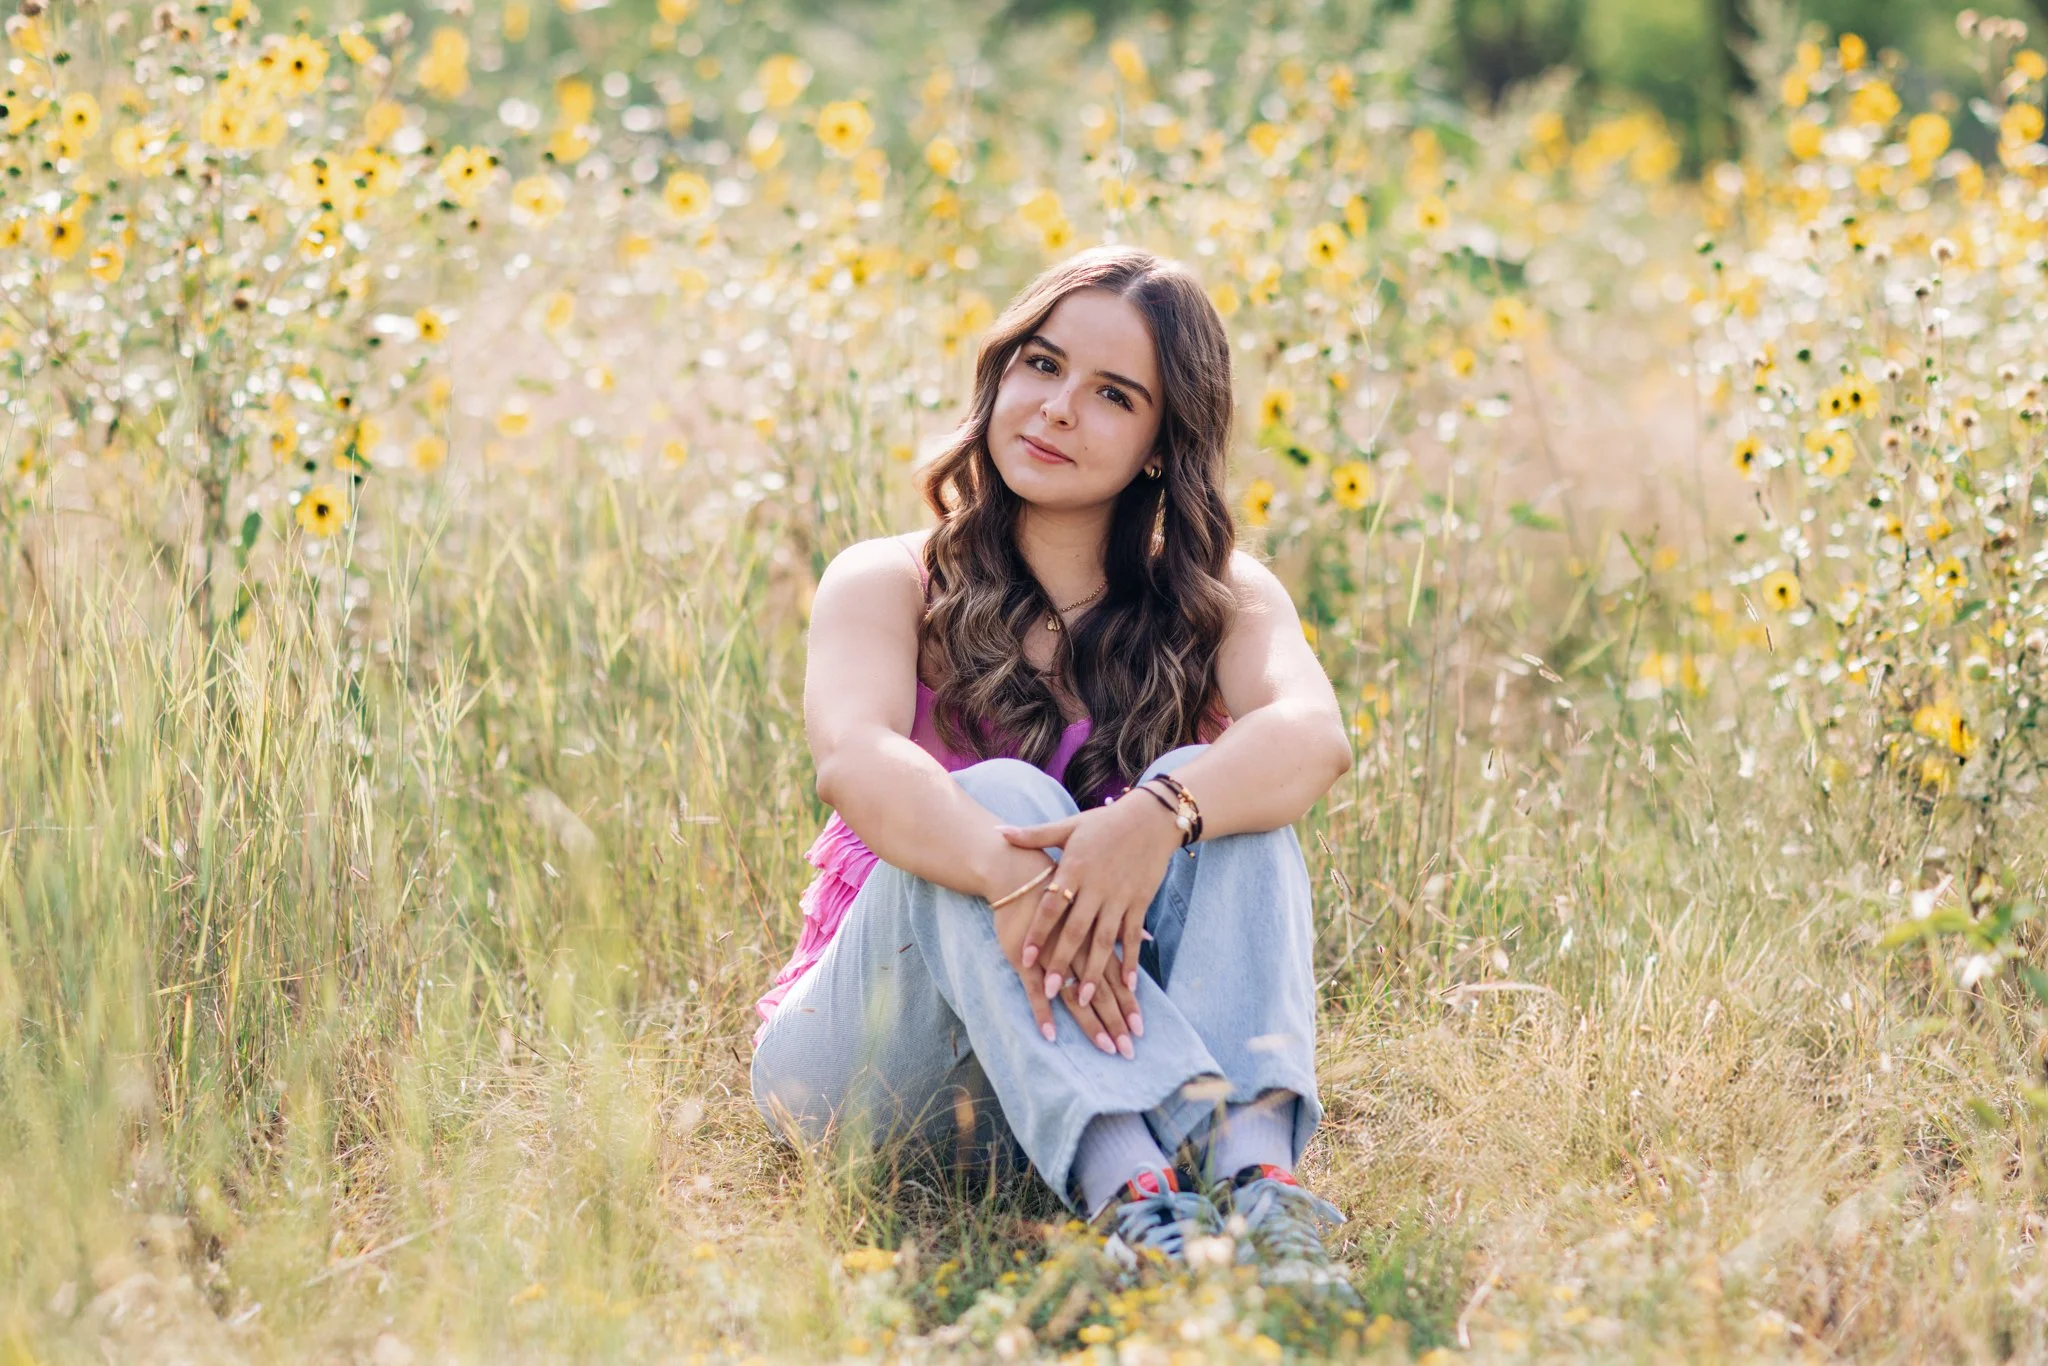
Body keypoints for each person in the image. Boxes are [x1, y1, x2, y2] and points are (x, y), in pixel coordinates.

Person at [749, 244, 1356, 1277]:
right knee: (995, 798)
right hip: (871, 1070)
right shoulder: (888, 579)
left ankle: (1258, 1192)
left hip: (1083, 1064)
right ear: (1000, 374)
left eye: (1112, 394)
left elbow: (1311, 735)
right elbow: (852, 758)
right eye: (1040, 364)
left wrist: (1156, 812)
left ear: (1164, 443)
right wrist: (1009, 872)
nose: (1057, 407)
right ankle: (1139, 1200)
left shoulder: (1220, 597)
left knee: (1232, 805)